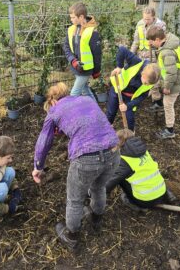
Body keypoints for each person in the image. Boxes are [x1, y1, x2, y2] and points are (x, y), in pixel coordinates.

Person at [32, 83, 120, 251]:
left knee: (75, 199)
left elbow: (44, 141)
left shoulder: (54, 110)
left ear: (52, 101)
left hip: (86, 157)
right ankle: (95, 219)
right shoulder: (87, 99)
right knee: (99, 186)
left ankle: (71, 237)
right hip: (113, 150)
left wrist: (38, 166)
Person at [105, 129, 168, 211]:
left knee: (120, 179)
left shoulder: (124, 161)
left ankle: (136, 205)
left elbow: (108, 185)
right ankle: (169, 195)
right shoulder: (145, 152)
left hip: (146, 200)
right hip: (162, 192)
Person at [147, 26, 180, 139]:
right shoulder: (170, 43)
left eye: (151, 41)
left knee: (168, 104)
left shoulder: (166, 52)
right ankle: (158, 103)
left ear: (157, 39)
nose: (150, 44)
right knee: (157, 88)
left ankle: (170, 130)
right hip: (179, 77)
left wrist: (167, 87)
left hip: (175, 82)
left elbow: (171, 73)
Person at [106, 46, 161, 131]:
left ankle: (130, 135)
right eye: (145, 82)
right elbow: (122, 50)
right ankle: (107, 128)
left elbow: (141, 97)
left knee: (129, 118)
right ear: (143, 73)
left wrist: (128, 106)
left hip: (130, 98)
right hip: (118, 89)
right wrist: (119, 67)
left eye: (148, 84)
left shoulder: (151, 82)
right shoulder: (136, 62)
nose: (146, 85)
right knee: (111, 112)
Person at [62, 2, 102, 98]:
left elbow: (97, 54)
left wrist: (96, 71)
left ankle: (70, 112)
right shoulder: (71, 29)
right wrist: (73, 60)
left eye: (73, 17)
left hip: (86, 69)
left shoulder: (92, 32)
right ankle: (95, 111)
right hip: (76, 67)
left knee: (74, 93)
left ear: (81, 17)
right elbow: (66, 46)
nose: (71, 20)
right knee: (86, 91)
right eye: (70, 17)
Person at [130, 6, 166, 108]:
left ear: (153, 17)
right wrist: (130, 54)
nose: (146, 21)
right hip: (140, 55)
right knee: (142, 76)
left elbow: (161, 44)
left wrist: (153, 53)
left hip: (153, 56)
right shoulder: (140, 24)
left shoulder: (160, 26)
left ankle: (157, 101)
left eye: (148, 19)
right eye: (144, 18)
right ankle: (140, 97)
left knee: (153, 78)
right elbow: (136, 41)